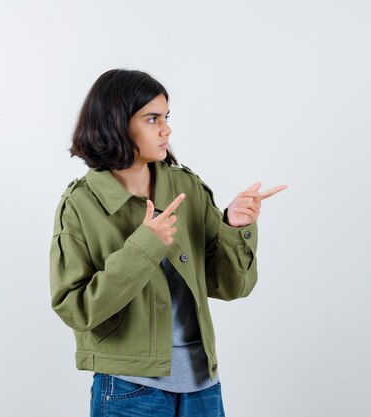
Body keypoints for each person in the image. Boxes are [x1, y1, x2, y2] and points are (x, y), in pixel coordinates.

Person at [49, 69, 286, 417]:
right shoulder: (81, 204)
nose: (166, 129)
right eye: (152, 118)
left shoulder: (185, 187)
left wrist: (235, 227)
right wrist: (144, 247)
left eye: (166, 117)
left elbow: (231, 287)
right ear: (116, 123)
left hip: (203, 385)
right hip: (129, 388)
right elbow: (75, 308)